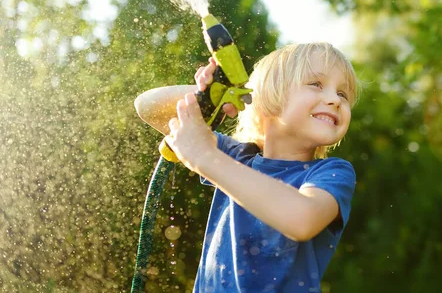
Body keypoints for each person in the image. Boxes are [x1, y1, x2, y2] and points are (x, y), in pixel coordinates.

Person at [134, 42, 361, 293]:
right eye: (316, 84)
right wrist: (213, 97)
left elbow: (302, 219)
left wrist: (206, 157)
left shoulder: (331, 173)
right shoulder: (237, 158)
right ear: (267, 96)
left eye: (343, 94)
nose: (334, 100)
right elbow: (148, 106)